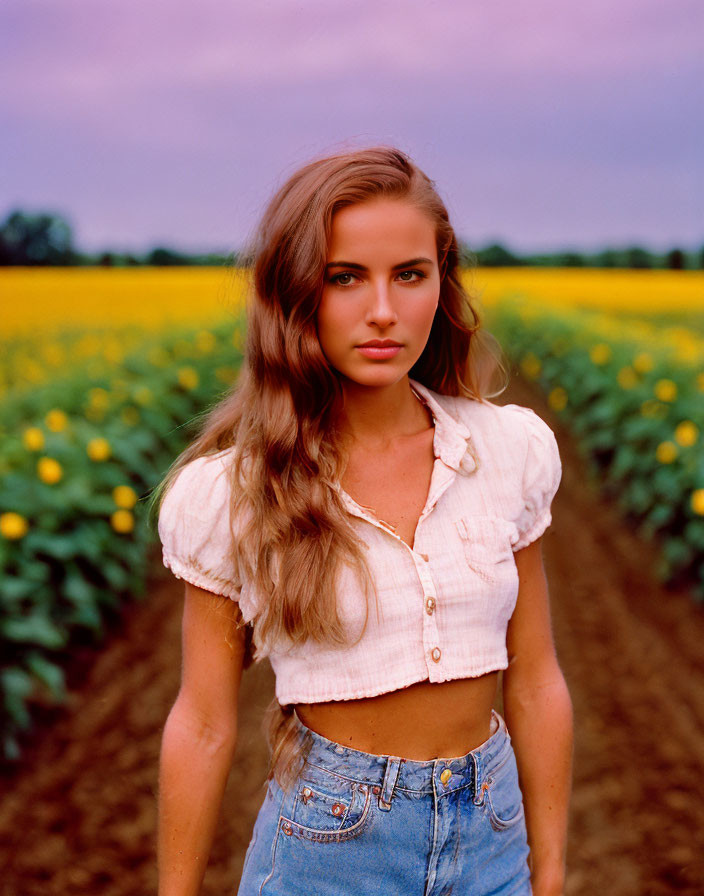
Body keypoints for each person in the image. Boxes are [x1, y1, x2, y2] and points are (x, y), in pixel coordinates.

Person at [153, 145, 573, 896]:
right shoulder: (234, 494)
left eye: (410, 274)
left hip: (492, 836)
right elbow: (203, 723)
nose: (384, 310)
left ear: (441, 283)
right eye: (345, 277)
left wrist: (550, 873)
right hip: (330, 849)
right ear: (295, 294)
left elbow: (536, 681)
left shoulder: (506, 450)